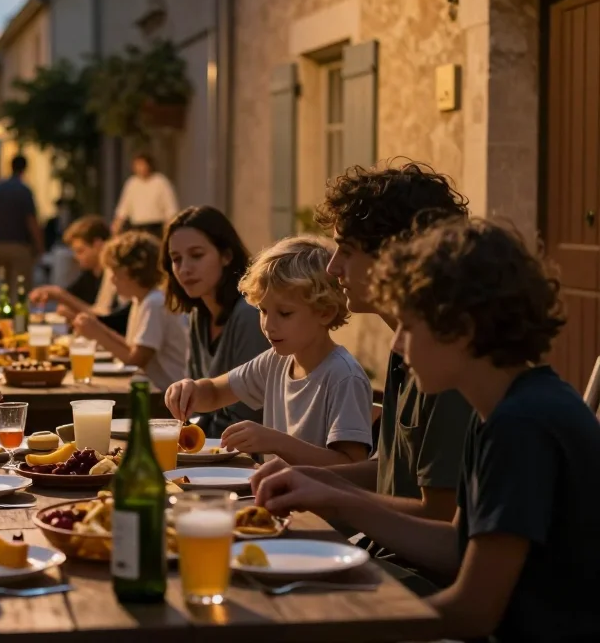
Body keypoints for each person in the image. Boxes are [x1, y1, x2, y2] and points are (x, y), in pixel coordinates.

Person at [255, 219, 600, 642]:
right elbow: (459, 544)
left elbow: (473, 612)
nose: (397, 343)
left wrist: (342, 622)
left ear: (462, 330)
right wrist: (335, 497)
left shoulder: (522, 425)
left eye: (409, 325)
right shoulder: (500, 408)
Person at [251, 162, 474, 580]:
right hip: (379, 552)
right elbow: (391, 470)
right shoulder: (404, 348)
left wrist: (332, 494)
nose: (333, 268)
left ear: (396, 257)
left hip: (415, 575)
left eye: (346, 251)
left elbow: (439, 518)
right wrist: (308, 476)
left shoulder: (447, 365)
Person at [166, 236, 372, 465]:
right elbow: (215, 393)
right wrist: (190, 390)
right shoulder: (275, 362)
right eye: (263, 311)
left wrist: (276, 442)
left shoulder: (343, 377)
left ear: (324, 312)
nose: (268, 325)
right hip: (274, 495)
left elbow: (352, 467)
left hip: (319, 501)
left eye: (284, 313)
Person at [162, 206, 270, 437]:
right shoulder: (197, 315)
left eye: (197, 255)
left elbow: (248, 413)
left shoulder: (250, 314)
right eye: (176, 259)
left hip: (247, 457)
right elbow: (191, 408)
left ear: (226, 256)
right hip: (206, 448)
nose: (185, 269)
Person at [73, 230, 188, 390]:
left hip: (167, 396)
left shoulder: (154, 303)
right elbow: (132, 348)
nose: (112, 280)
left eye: (114, 272)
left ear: (129, 272)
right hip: (157, 392)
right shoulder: (141, 300)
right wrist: (96, 328)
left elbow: (135, 360)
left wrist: (96, 332)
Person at [30, 215, 124, 326]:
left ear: (98, 245)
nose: (76, 257)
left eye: (80, 251)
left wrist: (59, 295)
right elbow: (71, 299)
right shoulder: (89, 274)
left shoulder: (112, 273)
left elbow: (103, 314)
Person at [0, 155, 43, 291]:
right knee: (21, 288)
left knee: (4, 287)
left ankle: (5, 311)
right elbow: (31, 221)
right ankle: (19, 312)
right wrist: (40, 247)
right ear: (25, 169)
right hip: (20, 245)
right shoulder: (24, 190)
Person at [112, 152, 179, 238]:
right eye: (137, 165)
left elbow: (170, 208)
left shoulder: (160, 182)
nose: (140, 168)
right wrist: (117, 225)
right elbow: (124, 208)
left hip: (155, 227)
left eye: (142, 164)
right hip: (137, 227)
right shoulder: (132, 183)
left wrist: (169, 227)